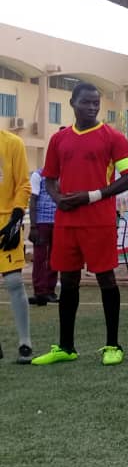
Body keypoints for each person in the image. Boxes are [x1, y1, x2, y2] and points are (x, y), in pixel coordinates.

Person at [31, 83, 128, 366]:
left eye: (96, 103)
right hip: (66, 223)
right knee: (68, 281)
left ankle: (113, 345)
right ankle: (66, 347)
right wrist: (58, 199)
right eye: (86, 102)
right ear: (72, 103)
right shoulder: (59, 139)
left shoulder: (113, 137)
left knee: (106, 279)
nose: (92, 107)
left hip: (99, 222)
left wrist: (92, 196)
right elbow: (49, 178)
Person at [0, 127, 32, 363]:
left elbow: (23, 184)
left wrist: (17, 216)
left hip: (6, 221)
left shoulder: (13, 142)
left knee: (13, 281)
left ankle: (25, 342)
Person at [28, 166, 59, 305]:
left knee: (55, 258)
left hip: (58, 222)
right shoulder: (38, 175)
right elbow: (33, 200)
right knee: (40, 258)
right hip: (41, 223)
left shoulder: (62, 174)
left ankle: (50, 291)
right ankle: (39, 292)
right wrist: (33, 226)